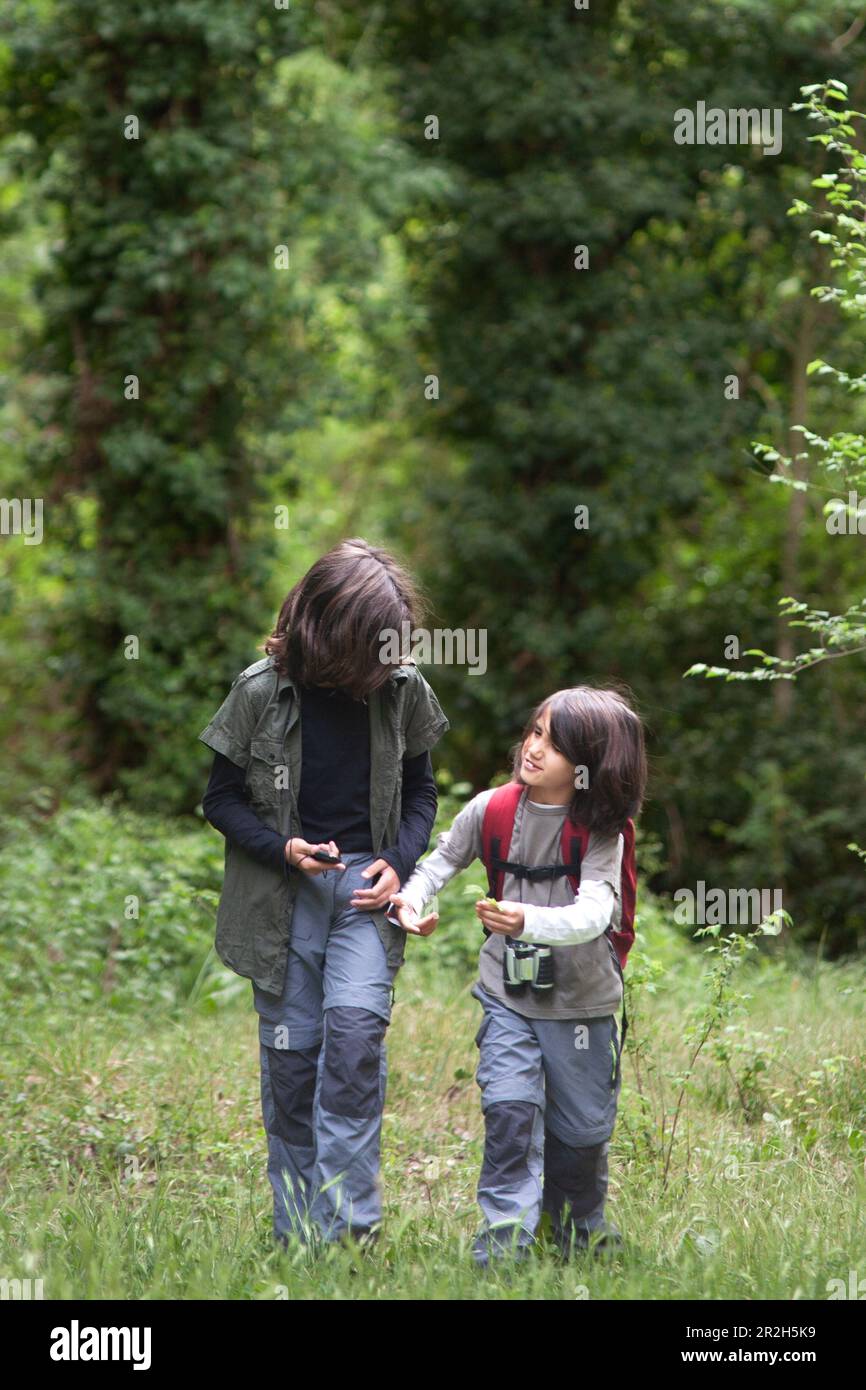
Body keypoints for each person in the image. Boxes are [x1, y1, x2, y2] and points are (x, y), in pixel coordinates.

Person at [198, 538, 449, 1249]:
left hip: (365, 898)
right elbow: (220, 801)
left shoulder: (404, 689)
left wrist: (400, 863)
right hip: (285, 902)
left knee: (353, 1048)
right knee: (293, 1063)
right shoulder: (258, 690)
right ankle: (297, 1235)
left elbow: (422, 789)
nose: (385, 665)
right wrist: (283, 849)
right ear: (329, 632)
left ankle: (351, 1235)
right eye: (373, 651)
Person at [390, 686, 647, 1266]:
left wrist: (525, 918)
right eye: (535, 732)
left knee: (580, 1138)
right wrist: (409, 902)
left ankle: (578, 1237)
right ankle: (502, 1253)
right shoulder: (492, 809)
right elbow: (441, 862)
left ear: (591, 766)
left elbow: (596, 913)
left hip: (582, 1008)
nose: (534, 749)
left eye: (554, 745)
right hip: (508, 997)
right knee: (509, 1114)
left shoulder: (603, 830)